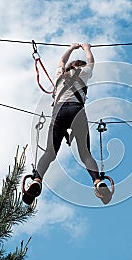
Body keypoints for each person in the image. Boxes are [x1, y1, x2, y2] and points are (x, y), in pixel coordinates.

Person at [23, 43, 112, 205]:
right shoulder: (84, 73)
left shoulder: (60, 74)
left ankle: (37, 179)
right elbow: (91, 60)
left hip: (59, 112)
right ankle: (97, 181)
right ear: (81, 67)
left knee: (50, 153)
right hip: (78, 112)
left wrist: (71, 48)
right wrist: (86, 48)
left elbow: (61, 61)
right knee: (85, 154)